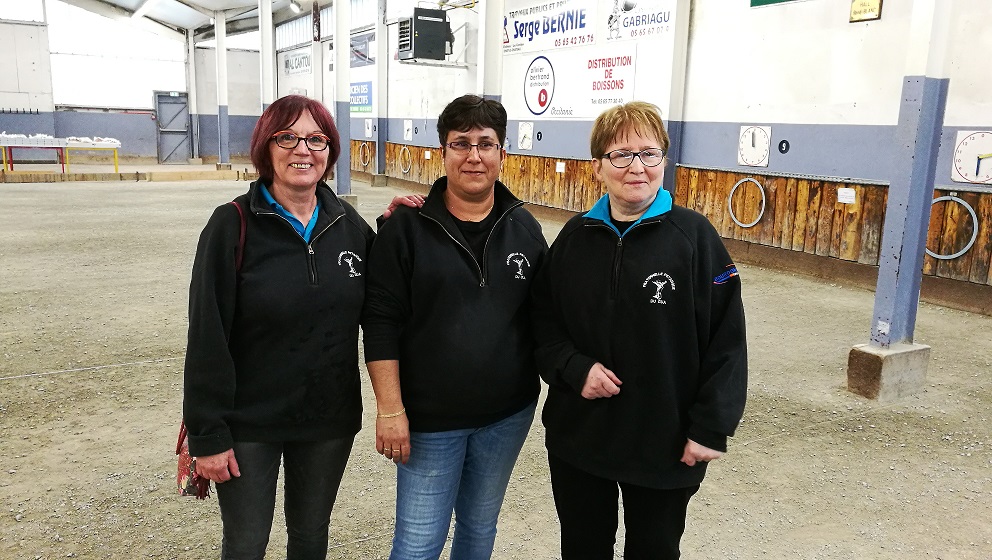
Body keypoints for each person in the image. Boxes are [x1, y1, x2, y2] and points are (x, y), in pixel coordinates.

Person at [531, 101, 748, 560]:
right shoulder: (574, 238)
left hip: (663, 440)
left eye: (648, 154)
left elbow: (727, 341)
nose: (637, 167)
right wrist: (573, 367)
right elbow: (541, 322)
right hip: (581, 437)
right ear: (597, 167)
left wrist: (711, 426)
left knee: (654, 548)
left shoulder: (696, 239)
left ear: (663, 161)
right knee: (583, 547)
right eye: (621, 154)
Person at [182, 94, 375, 559]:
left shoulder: (349, 224)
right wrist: (206, 433)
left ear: (329, 152)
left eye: (316, 139)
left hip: (327, 419)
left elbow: (393, 293)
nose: (302, 150)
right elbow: (207, 334)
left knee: (311, 537)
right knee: (247, 542)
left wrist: (413, 219)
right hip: (249, 423)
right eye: (287, 137)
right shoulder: (232, 225)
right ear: (265, 147)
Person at [361, 94, 548, 560]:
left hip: (507, 416)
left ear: (503, 154)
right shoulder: (404, 229)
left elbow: (549, 315)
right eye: (460, 143)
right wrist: (390, 409)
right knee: (419, 542)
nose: (474, 155)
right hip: (429, 422)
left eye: (486, 143)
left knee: (479, 528)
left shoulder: (525, 228)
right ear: (443, 153)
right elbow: (380, 322)